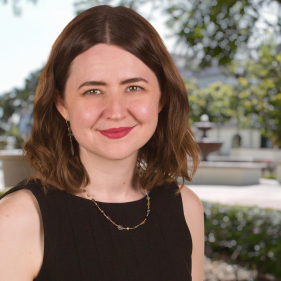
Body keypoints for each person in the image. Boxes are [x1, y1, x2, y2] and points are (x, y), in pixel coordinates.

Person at [0, 5, 204, 281]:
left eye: (134, 88)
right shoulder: (16, 220)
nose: (116, 111)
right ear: (62, 104)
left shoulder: (186, 207)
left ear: (162, 98)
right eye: (93, 90)